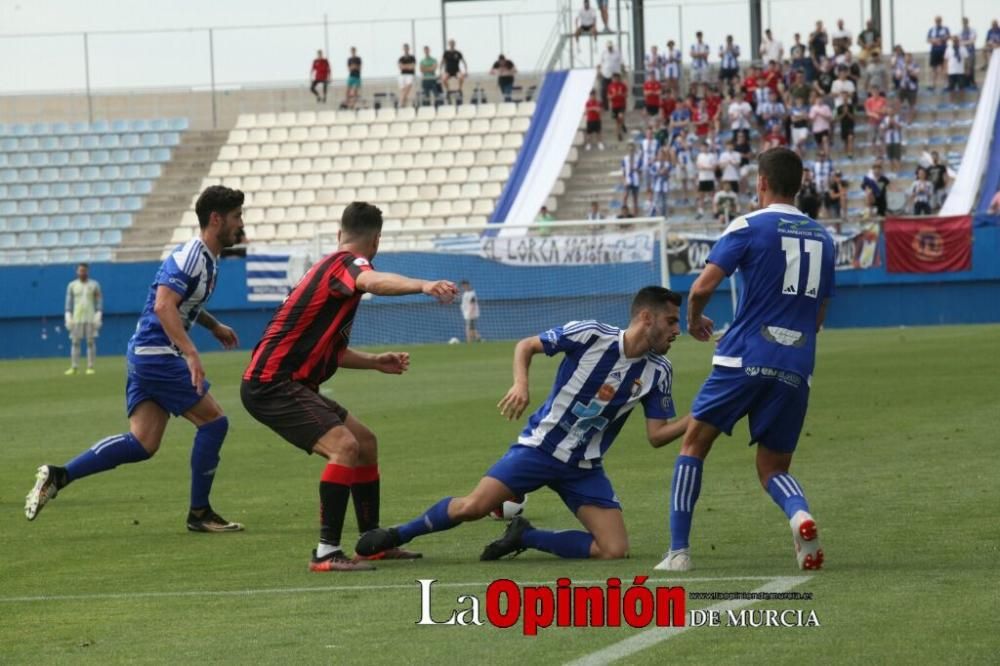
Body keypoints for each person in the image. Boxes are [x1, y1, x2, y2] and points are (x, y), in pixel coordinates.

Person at [355, 287, 689, 562]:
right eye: (672, 321)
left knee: (614, 550)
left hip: (583, 467)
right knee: (474, 506)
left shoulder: (659, 371)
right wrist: (521, 384)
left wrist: (702, 415)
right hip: (540, 448)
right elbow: (526, 345)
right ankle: (396, 535)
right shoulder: (591, 335)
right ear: (646, 317)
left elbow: (657, 435)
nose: (677, 330)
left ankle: (526, 535)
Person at [241, 202, 457, 572]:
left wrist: (374, 362)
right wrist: (423, 285)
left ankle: (371, 542)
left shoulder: (329, 274)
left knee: (365, 442)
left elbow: (330, 352)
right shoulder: (345, 265)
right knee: (345, 446)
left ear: (341, 232)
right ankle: (326, 552)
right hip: (272, 384)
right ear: (375, 242)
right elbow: (370, 280)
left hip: (290, 383)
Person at [656, 147, 835, 573]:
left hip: (743, 356)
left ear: (761, 182)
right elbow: (820, 315)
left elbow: (701, 287)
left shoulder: (749, 225)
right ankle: (800, 516)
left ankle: (678, 552)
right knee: (773, 466)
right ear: (800, 185)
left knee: (694, 444)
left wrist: (696, 320)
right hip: (796, 363)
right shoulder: (825, 239)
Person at [26, 186, 247, 532]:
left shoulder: (208, 259)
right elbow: (163, 305)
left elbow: (180, 302)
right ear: (215, 219)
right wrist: (190, 352)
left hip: (146, 354)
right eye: (236, 217)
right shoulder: (193, 254)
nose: (241, 224)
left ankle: (60, 474)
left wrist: (213, 325)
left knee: (143, 442)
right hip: (157, 354)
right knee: (214, 422)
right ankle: (200, 513)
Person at [64, 262, 102, 375]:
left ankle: (90, 366)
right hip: (77, 318)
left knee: (90, 341)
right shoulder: (72, 285)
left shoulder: (94, 285)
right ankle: (74, 366)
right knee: (75, 342)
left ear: (87, 271)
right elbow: (69, 302)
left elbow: (99, 300)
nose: (82, 273)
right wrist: (68, 314)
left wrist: (99, 313)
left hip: (90, 317)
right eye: (80, 271)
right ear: (77, 272)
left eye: (84, 271)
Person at [695, 140, 717, 218]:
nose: (704, 148)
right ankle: (700, 212)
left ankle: (714, 211)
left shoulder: (712, 156)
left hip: (710, 178)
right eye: (702, 147)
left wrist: (705, 167)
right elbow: (698, 166)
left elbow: (714, 167)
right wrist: (708, 167)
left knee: (712, 195)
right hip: (702, 178)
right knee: (701, 196)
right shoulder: (699, 156)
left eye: (705, 147)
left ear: (707, 147)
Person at [598, 41, 623, 111]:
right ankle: (605, 107)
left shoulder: (617, 52)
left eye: (611, 47)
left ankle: (618, 107)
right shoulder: (603, 52)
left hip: (615, 74)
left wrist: (622, 72)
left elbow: (621, 62)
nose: (610, 48)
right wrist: (599, 71)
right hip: (605, 74)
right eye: (608, 47)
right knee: (603, 90)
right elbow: (600, 62)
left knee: (617, 91)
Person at [927, 16, 950, 92]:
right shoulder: (932, 30)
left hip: (943, 50)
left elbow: (948, 36)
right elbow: (928, 39)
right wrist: (935, 41)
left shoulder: (945, 29)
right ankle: (933, 85)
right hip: (934, 51)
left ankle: (945, 84)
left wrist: (941, 39)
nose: (938, 22)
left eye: (939, 20)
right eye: (937, 21)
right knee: (934, 69)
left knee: (943, 68)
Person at [621, 143, 643, 213]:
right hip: (628, 180)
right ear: (628, 150)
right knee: (625, 196)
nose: (631, 150)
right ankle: (624, 212)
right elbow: (623, 171)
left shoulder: (638, 158)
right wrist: (624, 180)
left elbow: (641, 171)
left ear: (634, 149)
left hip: (635, 180)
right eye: (630, 149)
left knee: (635, 198)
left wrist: (636, 169)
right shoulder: (625, 159)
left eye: (632, 149)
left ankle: (635, 214)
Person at [607, 72, 628, 141]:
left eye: (616, 78)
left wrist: (621, 94)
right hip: (614, 106)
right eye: (614, 78)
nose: (615, 79)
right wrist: (614, 95)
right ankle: (619, 133)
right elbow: (609, 96)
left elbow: (626, 95)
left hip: (621, 104)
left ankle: (622, 125)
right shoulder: (610, 86)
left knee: (620, 116)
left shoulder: (622, 85)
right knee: (617, 121)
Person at [945, 36, 966, 102]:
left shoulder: (962, 48)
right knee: (951, 88)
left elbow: (966, 58)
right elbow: (946, 59)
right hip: (951, 71)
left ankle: (962, 100)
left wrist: (967, 68)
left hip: (960, 71)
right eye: (954, 41)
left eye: (957, 40)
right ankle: (952, 101)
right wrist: (946, 69)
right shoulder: (949, 48)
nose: (955, 42)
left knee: (961, 87)